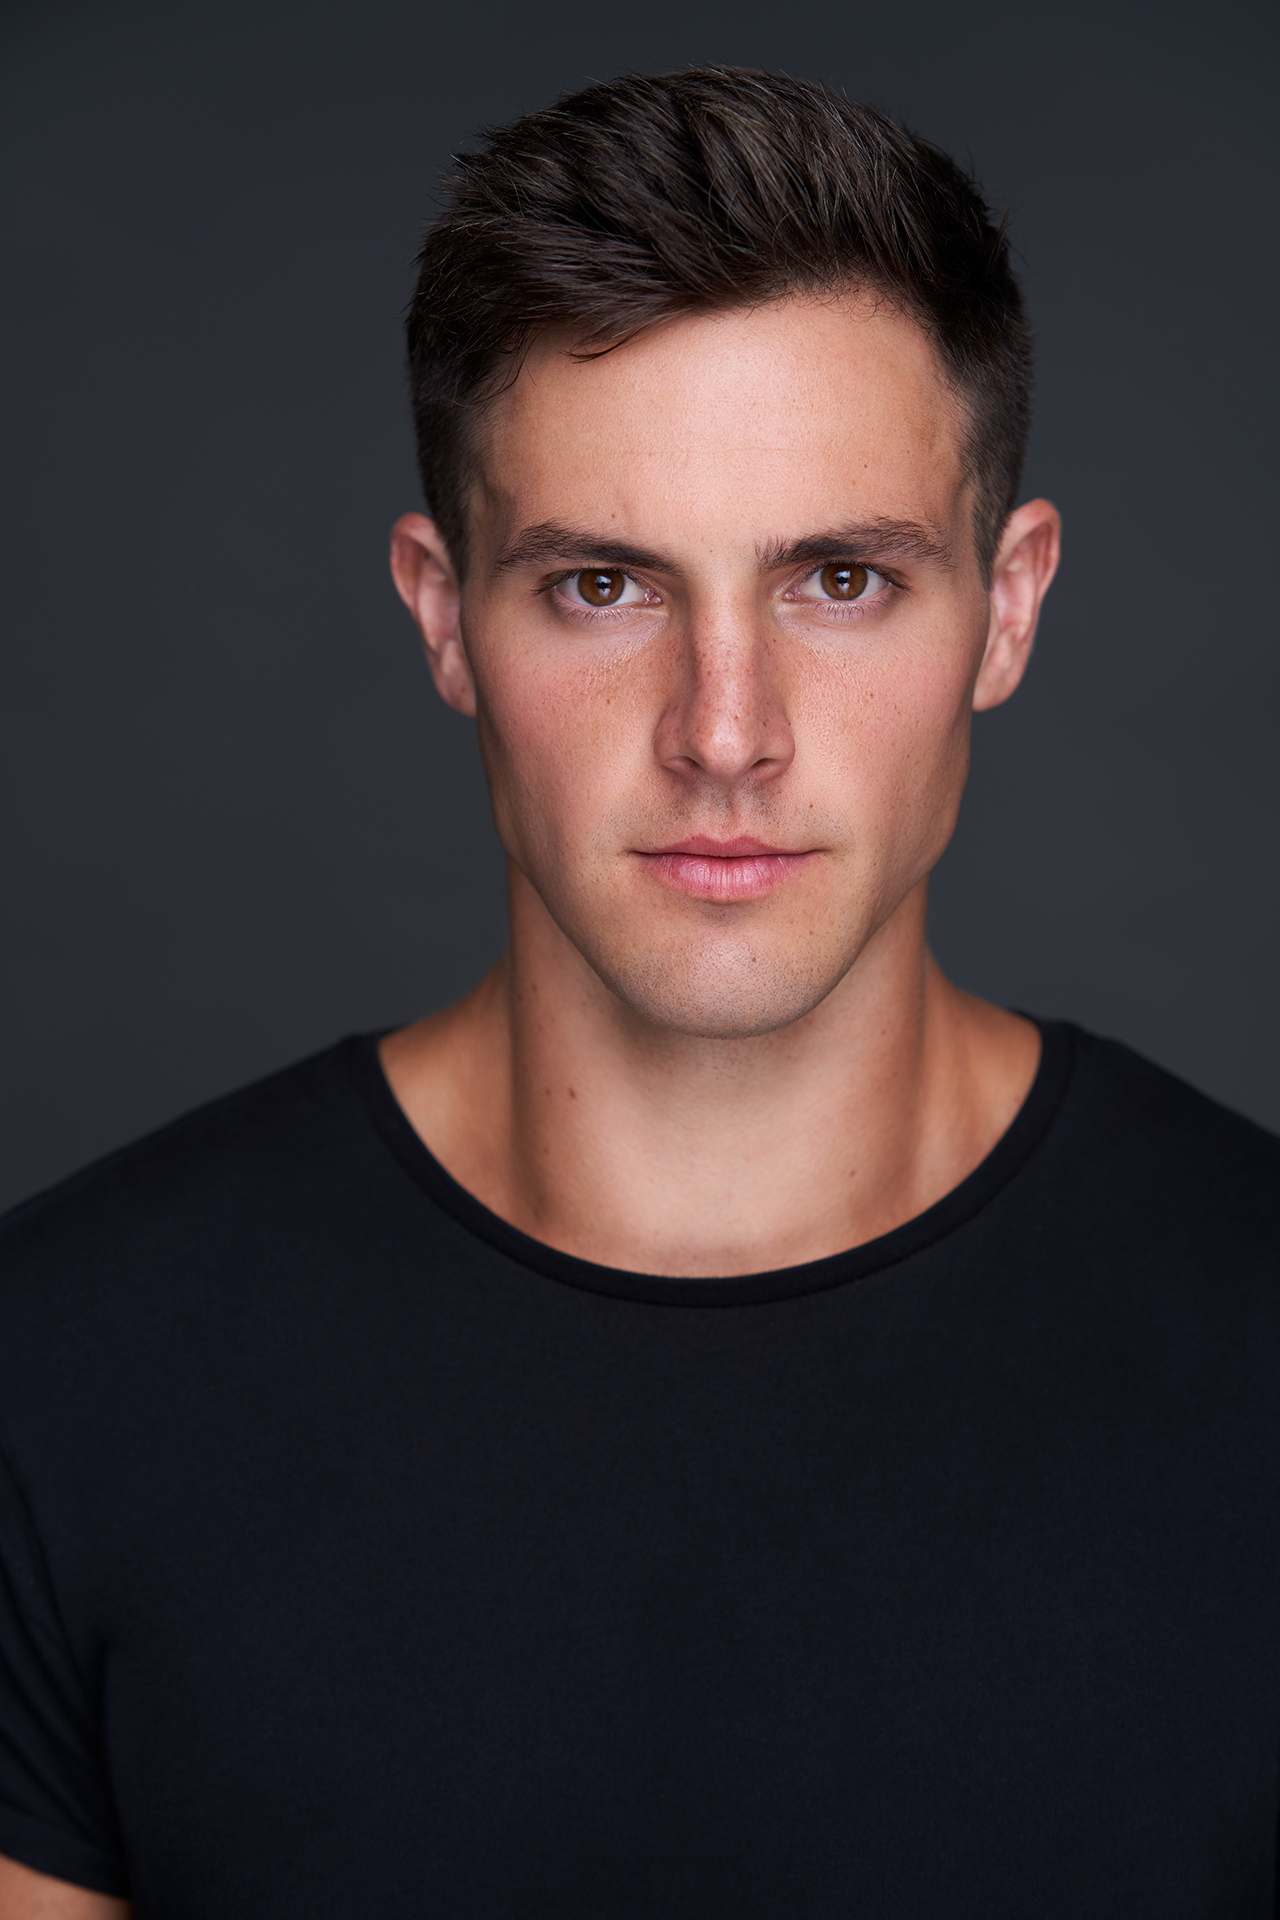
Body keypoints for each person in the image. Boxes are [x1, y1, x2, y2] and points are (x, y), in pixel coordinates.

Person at [0, 65, 1276, 1920]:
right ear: (442, 613)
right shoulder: (55, 1375)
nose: (725, 733)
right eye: (604, 586)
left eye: (842, 579)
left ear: (1009, 606)